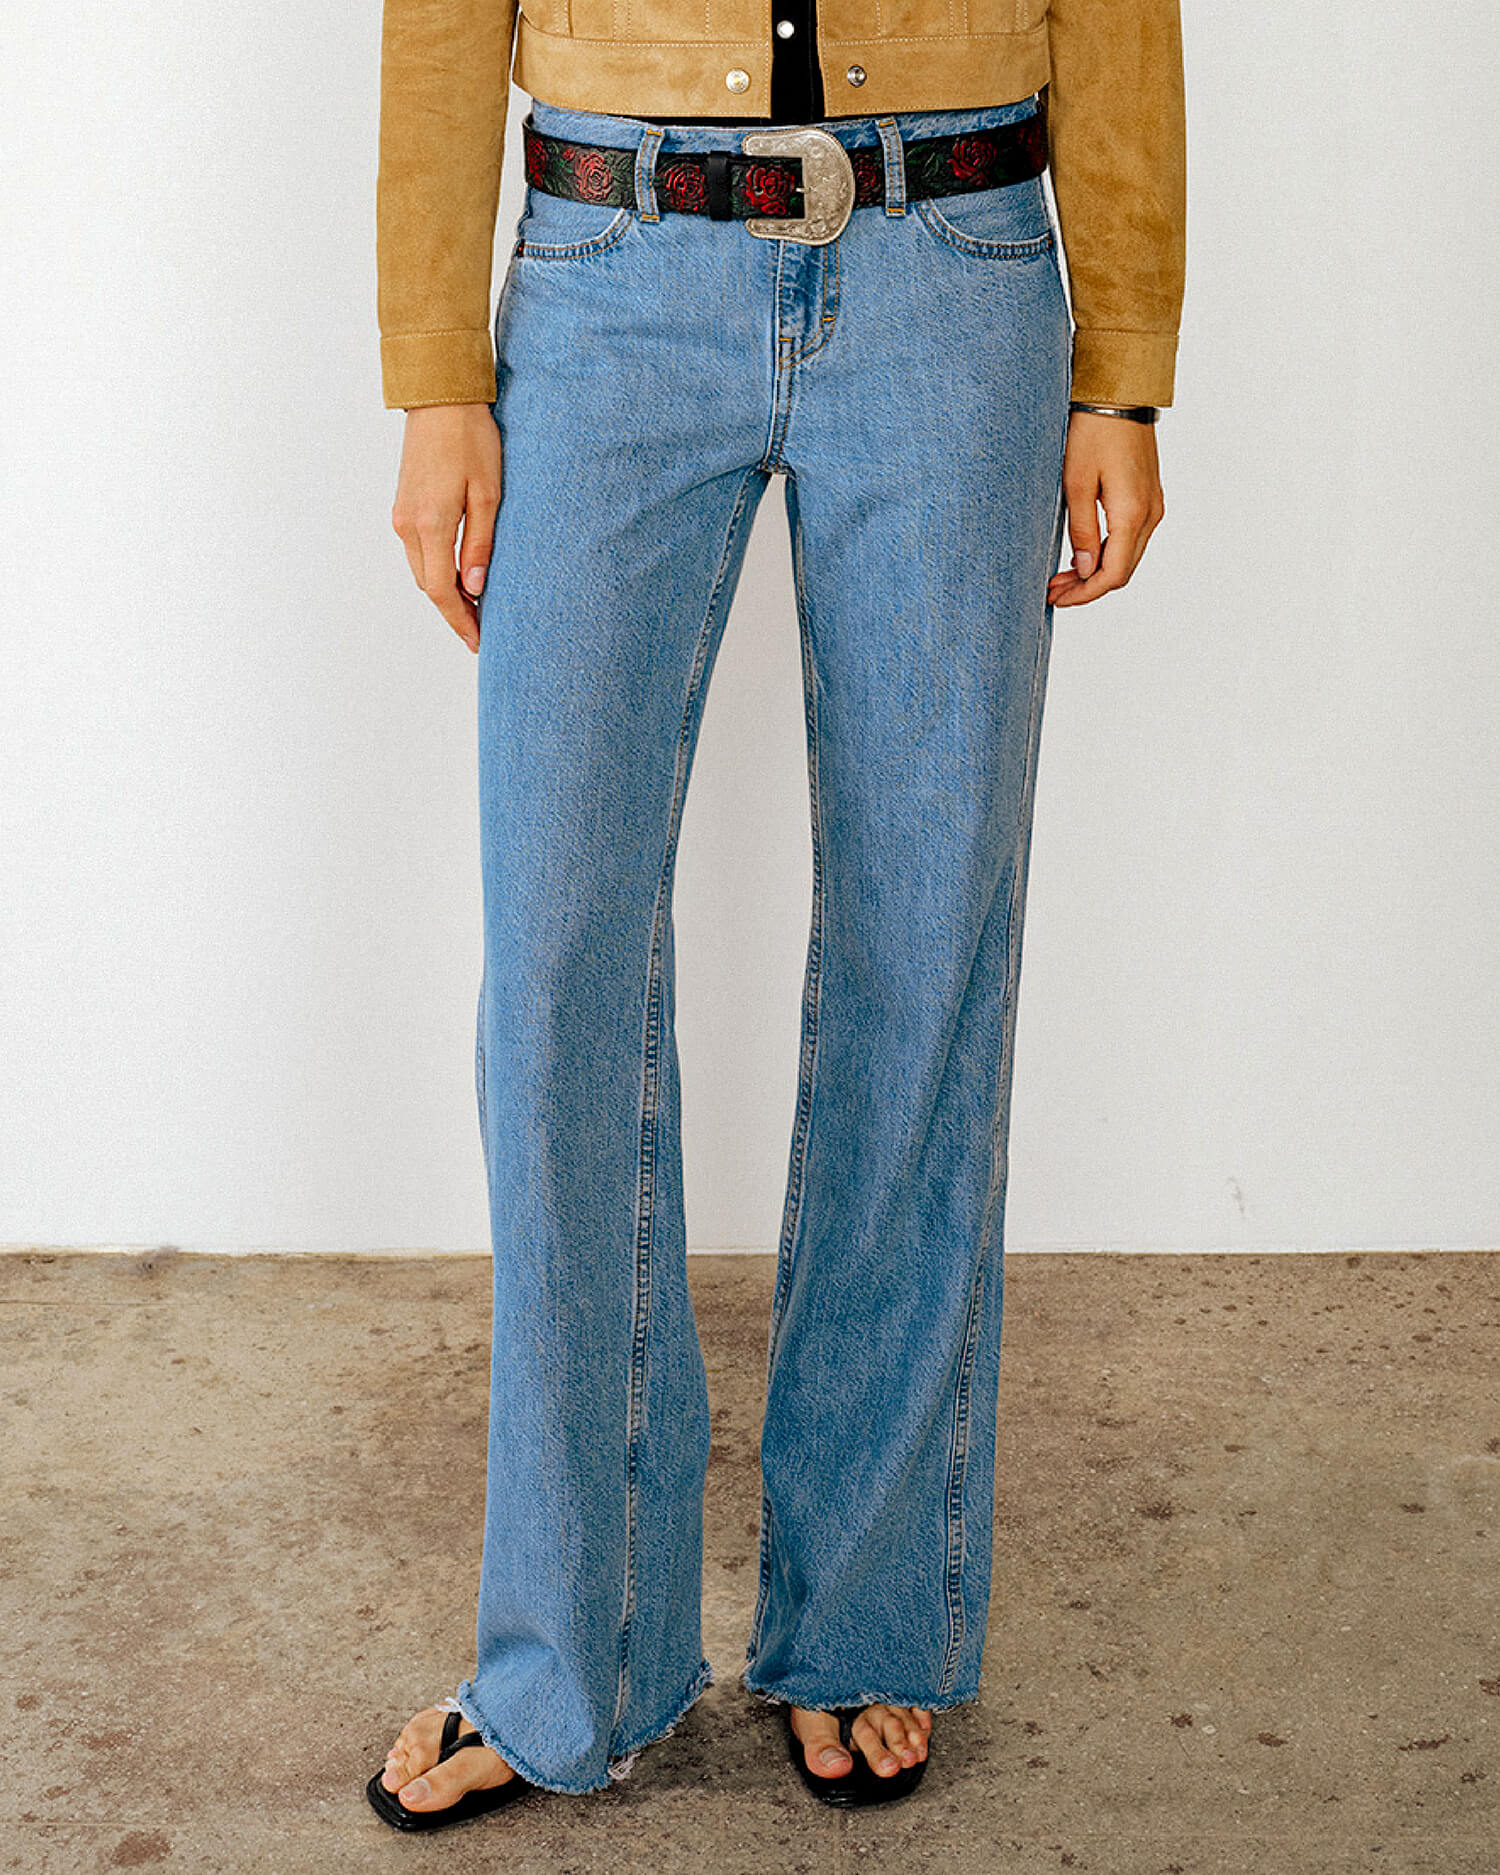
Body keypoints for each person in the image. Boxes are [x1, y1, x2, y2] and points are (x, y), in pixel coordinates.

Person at [367, 0, 1185, 1829]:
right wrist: (434, 369)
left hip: (956, 269)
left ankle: (867, 1616)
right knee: (558, 972)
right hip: (609, 273)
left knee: (925, 952)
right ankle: (570, 1658)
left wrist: (1123, 367)